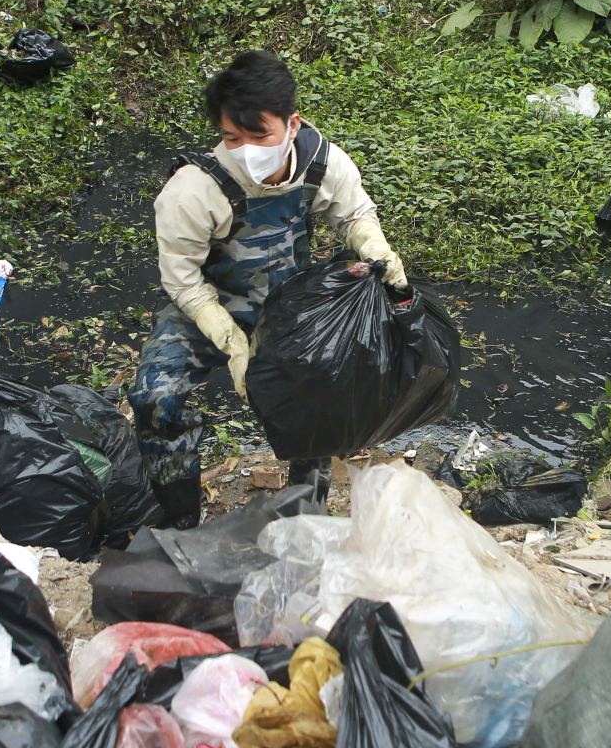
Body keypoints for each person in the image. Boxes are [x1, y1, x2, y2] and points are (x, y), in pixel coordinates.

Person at [131, 50, 407, 528]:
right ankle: (179, 522)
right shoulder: (192, 191)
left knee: (322, 395)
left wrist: (377, 250)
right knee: (155, 398)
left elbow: (355, 214)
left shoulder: (321, 163)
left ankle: (308, 513)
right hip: (206, 309)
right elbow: (184, 282)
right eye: (231, 137)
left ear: (292, 124)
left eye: (259, 136)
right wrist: (233, 345)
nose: (246, 150)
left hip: (288, 304)